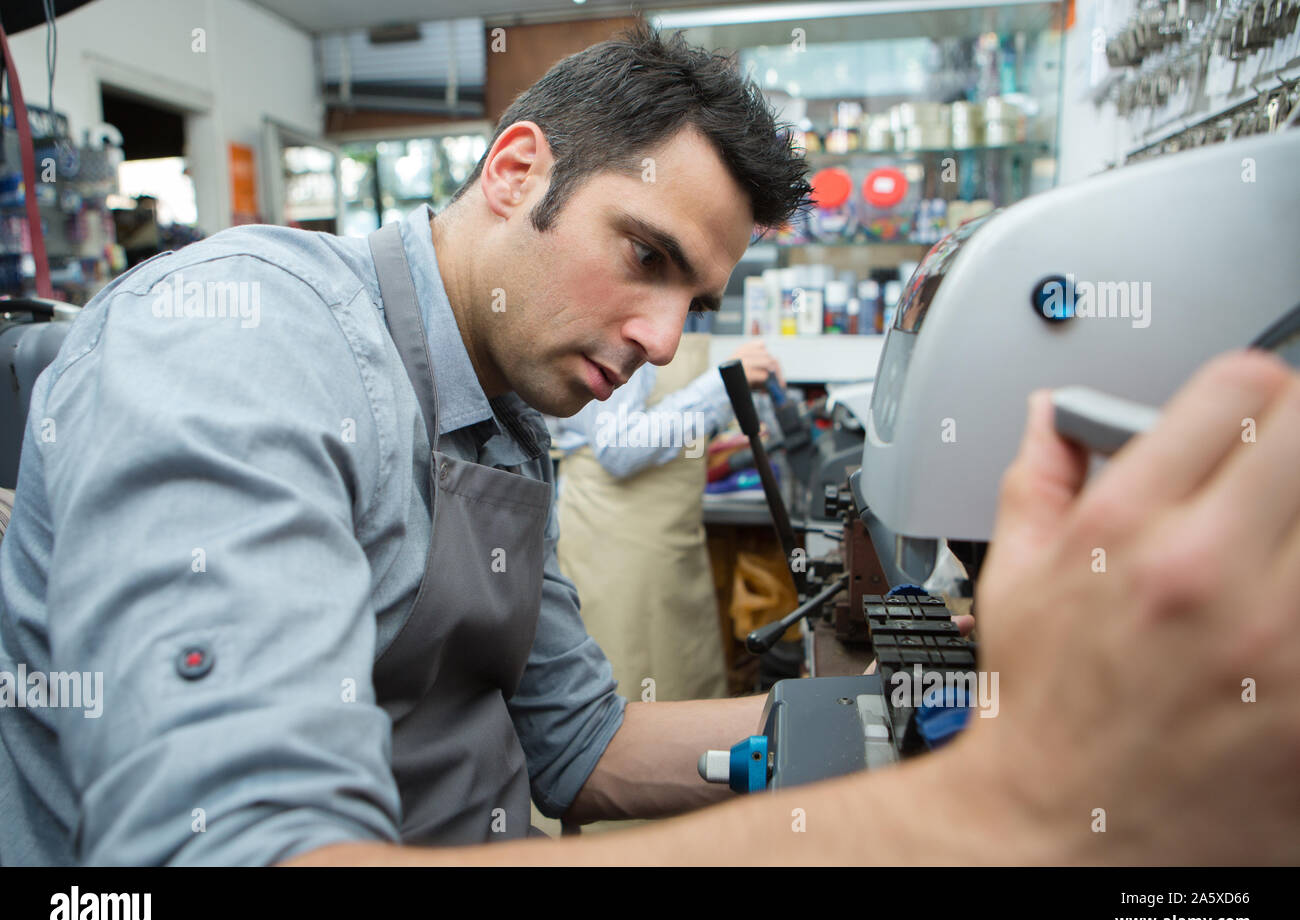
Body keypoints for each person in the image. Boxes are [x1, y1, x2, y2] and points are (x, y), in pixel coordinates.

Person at [0, 25, 1296, 866]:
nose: (665, 338)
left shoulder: (503, 410)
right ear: (515, 171)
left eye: (697, 300)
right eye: (645, 254)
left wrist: (921, 715)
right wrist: (1011, 801)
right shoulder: (242, 341)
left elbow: (583, 748)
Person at [552, 338, 783, 703]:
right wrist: (720, 386)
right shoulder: (624, 321)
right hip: (619, 542)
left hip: (670, 537)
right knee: (630, 685)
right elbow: (618, 447)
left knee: (680, 675)